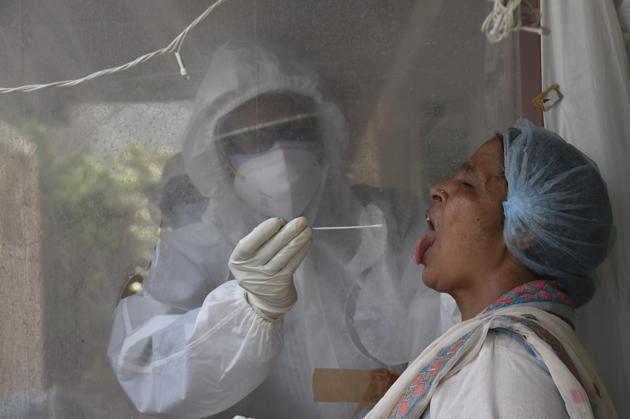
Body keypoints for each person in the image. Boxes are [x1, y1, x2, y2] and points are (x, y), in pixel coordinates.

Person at [107, 40, 450, 418]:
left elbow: (454, 312)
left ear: (324, 135)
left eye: (294, 131)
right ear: (219, 156)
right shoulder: (195, 251)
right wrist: (244, 311)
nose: (280, 154)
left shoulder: (386, 221)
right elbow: (146, 369)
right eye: (253, 140)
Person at [365, 120, 619, 418]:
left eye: (468, 183)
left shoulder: (504, 366)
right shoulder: (511, 356)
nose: (438, 189)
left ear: (525, 230)